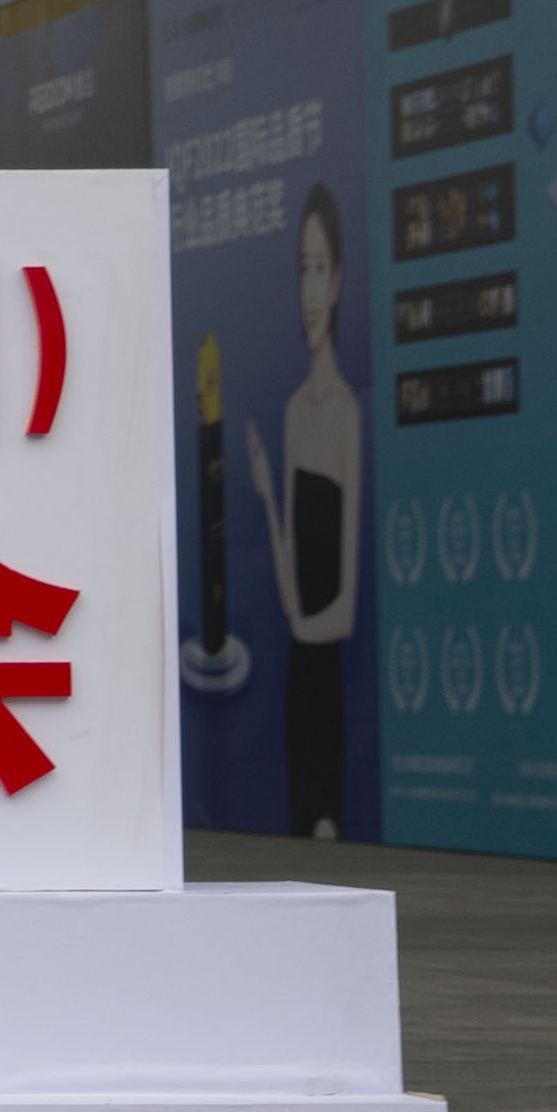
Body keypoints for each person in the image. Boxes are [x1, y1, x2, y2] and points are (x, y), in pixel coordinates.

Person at [240, 182, 363, 838]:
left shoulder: (346, 415)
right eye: (302, 270)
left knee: (326, 832)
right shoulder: (292, 413)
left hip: (326, 686)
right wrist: (266, 495)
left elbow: (342, 614)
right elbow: (291, 585)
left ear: (338, 280)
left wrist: (300, 625)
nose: (310, 289)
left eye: (320, 269)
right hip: (296, 685)